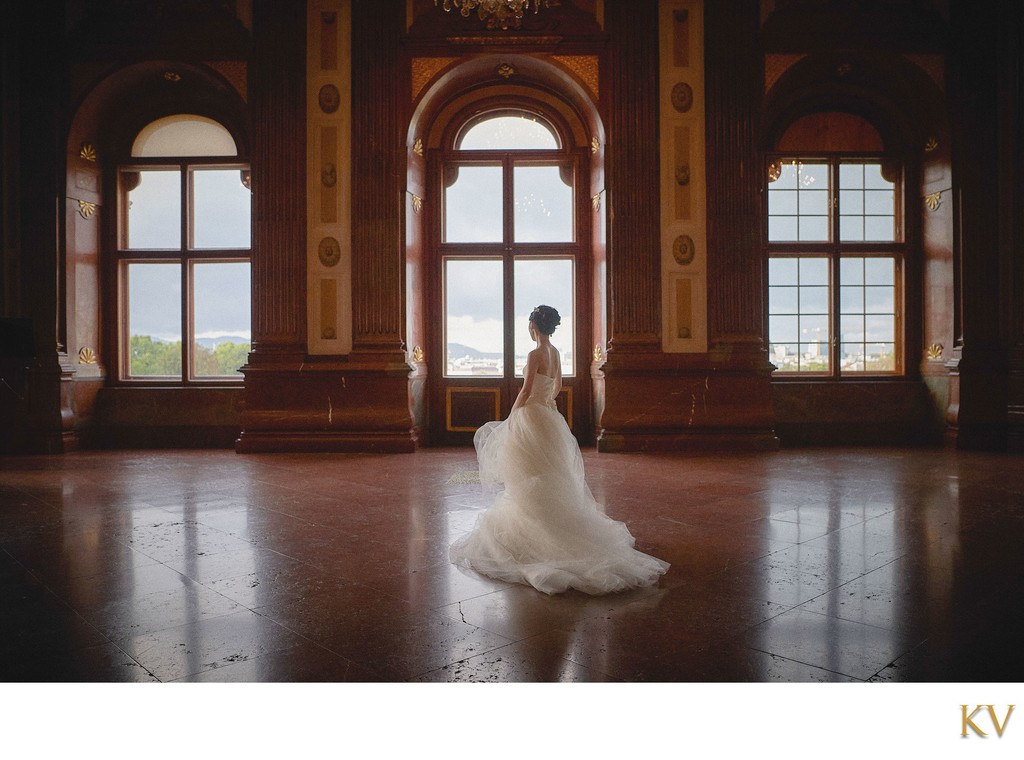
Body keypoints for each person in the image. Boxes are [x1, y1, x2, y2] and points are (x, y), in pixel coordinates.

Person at [450, 305, 670, 595]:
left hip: (531, 416)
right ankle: (556, 523)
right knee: (551, 473)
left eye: (529, 324)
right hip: (550, 418)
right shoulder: (554, 353)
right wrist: (546, 405)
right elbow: (556, 387)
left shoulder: (534, 354)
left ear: (533, 326)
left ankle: (536, 531)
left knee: (528, 475)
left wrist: (513, 415)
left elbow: (526, 390)